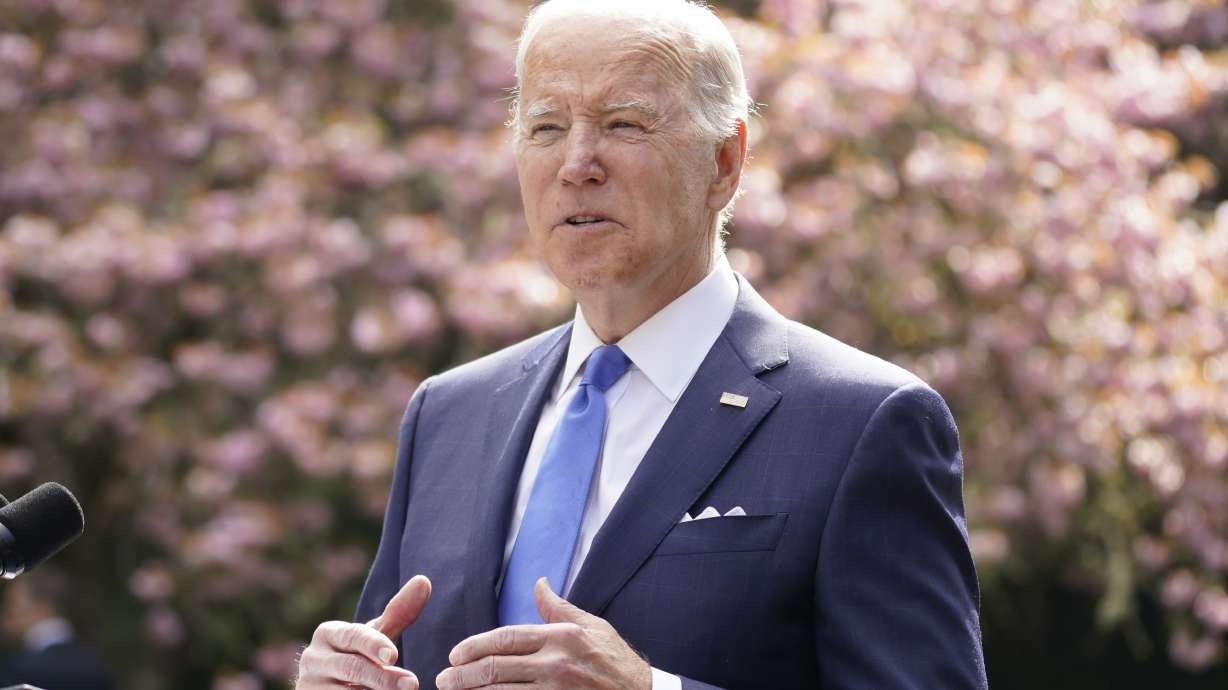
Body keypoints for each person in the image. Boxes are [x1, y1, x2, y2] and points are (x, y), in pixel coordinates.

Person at [295, 1, 988, 688]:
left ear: (725, 162)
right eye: (546, 126)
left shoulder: (865, 423)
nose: (576, 163)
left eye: (623, 124)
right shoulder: (447, 415)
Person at [0, 568, 114, 690]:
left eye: (12, 604)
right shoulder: (96, 665)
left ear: (41, 607)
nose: (4, 615)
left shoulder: (21, 671)